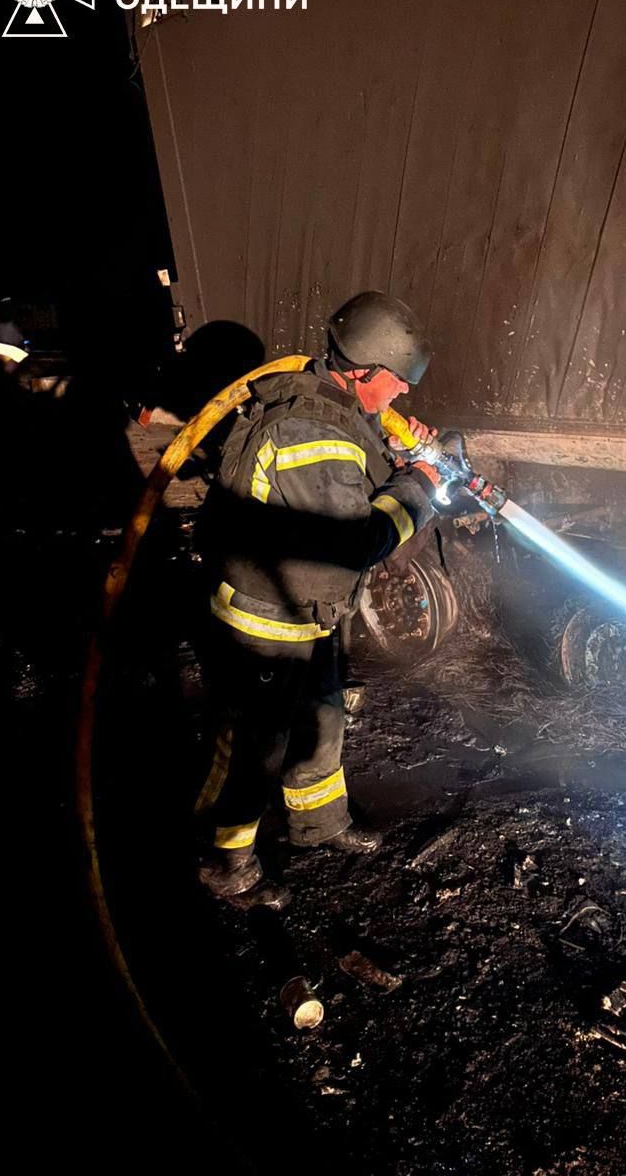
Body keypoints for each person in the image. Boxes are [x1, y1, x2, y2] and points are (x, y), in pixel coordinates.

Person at [195, 291, 440, 909]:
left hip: (309, 614)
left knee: (323, 718)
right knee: (256, 746)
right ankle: (227, 863)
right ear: (362, 370)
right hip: (266, 620)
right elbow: (353, 541)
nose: (403, 392)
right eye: (397, 380)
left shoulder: (334, 407)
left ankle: (321, 822)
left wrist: (401, 455)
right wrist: (419, 488)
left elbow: (354, 478)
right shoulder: (309, 430)